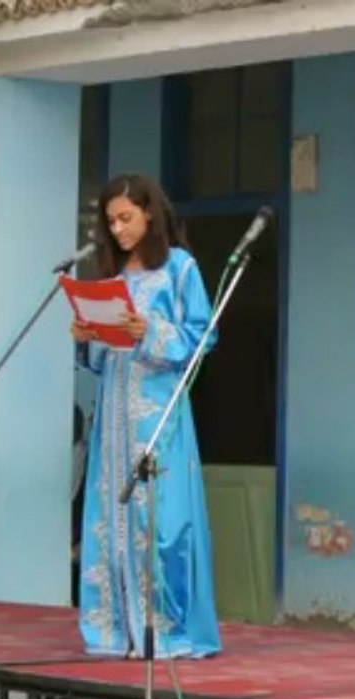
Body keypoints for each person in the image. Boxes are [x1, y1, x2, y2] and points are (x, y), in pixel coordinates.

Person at [71, 173, 220, 658]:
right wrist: (87, 336)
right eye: (111, 221)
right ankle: (115, 631)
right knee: (110, 520)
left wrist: (148, 330)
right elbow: (103, 359)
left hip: (159, 419)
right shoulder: (111, 280)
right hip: (112, 421)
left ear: (150, 214)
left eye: (126, 218)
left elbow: (202, 339)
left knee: (163, 522)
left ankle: (168, 630)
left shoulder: (180, 269)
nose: (118, 229)